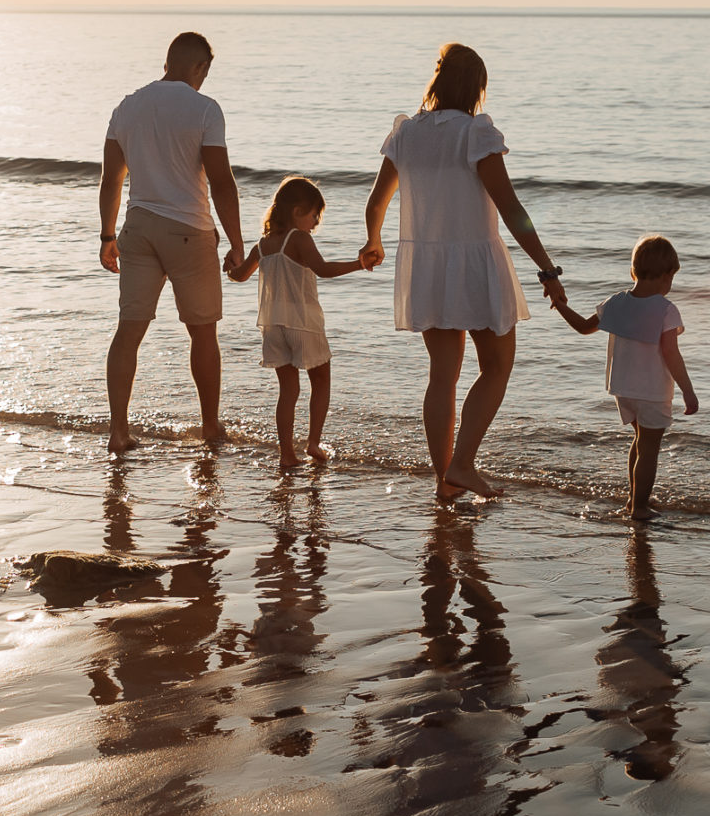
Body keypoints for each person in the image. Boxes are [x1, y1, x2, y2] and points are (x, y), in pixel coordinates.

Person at [361, 42, 566, 503]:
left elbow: (376, 203)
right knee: (496, 367)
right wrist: (547, 269)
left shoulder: (406, 134)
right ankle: (463, 462)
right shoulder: (475, 133)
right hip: (474, 264)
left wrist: (373, 242)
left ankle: (446, 482)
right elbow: (510, 208)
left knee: (442, 375)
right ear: (476, 88)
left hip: (426, 266)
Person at [98, 31, 246, 452]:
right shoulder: (205, 109)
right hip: (188, 231)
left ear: (168, 61)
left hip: (139, 227)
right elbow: (221, 181)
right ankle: (210, 428)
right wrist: (236, 243)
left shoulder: (127, 106)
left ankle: (119, 432)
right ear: (201, 68)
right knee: (202, 334)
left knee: (129, 331)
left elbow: (112, 178)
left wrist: (108, 235)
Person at [545, 234, 699, 520]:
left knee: (640, 441)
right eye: (672, 278)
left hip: (623, 389)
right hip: (652, 391)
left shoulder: (615, 302)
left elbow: (582, 327)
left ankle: (633, 500)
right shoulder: (666, 310)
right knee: (649, 449)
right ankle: (640, 507)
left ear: (634, 271)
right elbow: (671, 355)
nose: (671, 285)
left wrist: (561, 304)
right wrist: (688, 391)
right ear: (667, 276)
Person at [232, 175, 366, 471]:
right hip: (303, 322)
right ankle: (313, 442)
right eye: (314, 214)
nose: (316, 222)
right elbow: (323, 270)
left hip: (273, 325)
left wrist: (231, 268)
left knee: (288, 391)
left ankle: (286, 454)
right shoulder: (300, 239)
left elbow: (240, 275)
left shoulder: (263, 244)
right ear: (296, 212)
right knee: (321, 381)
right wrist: (359, 264)